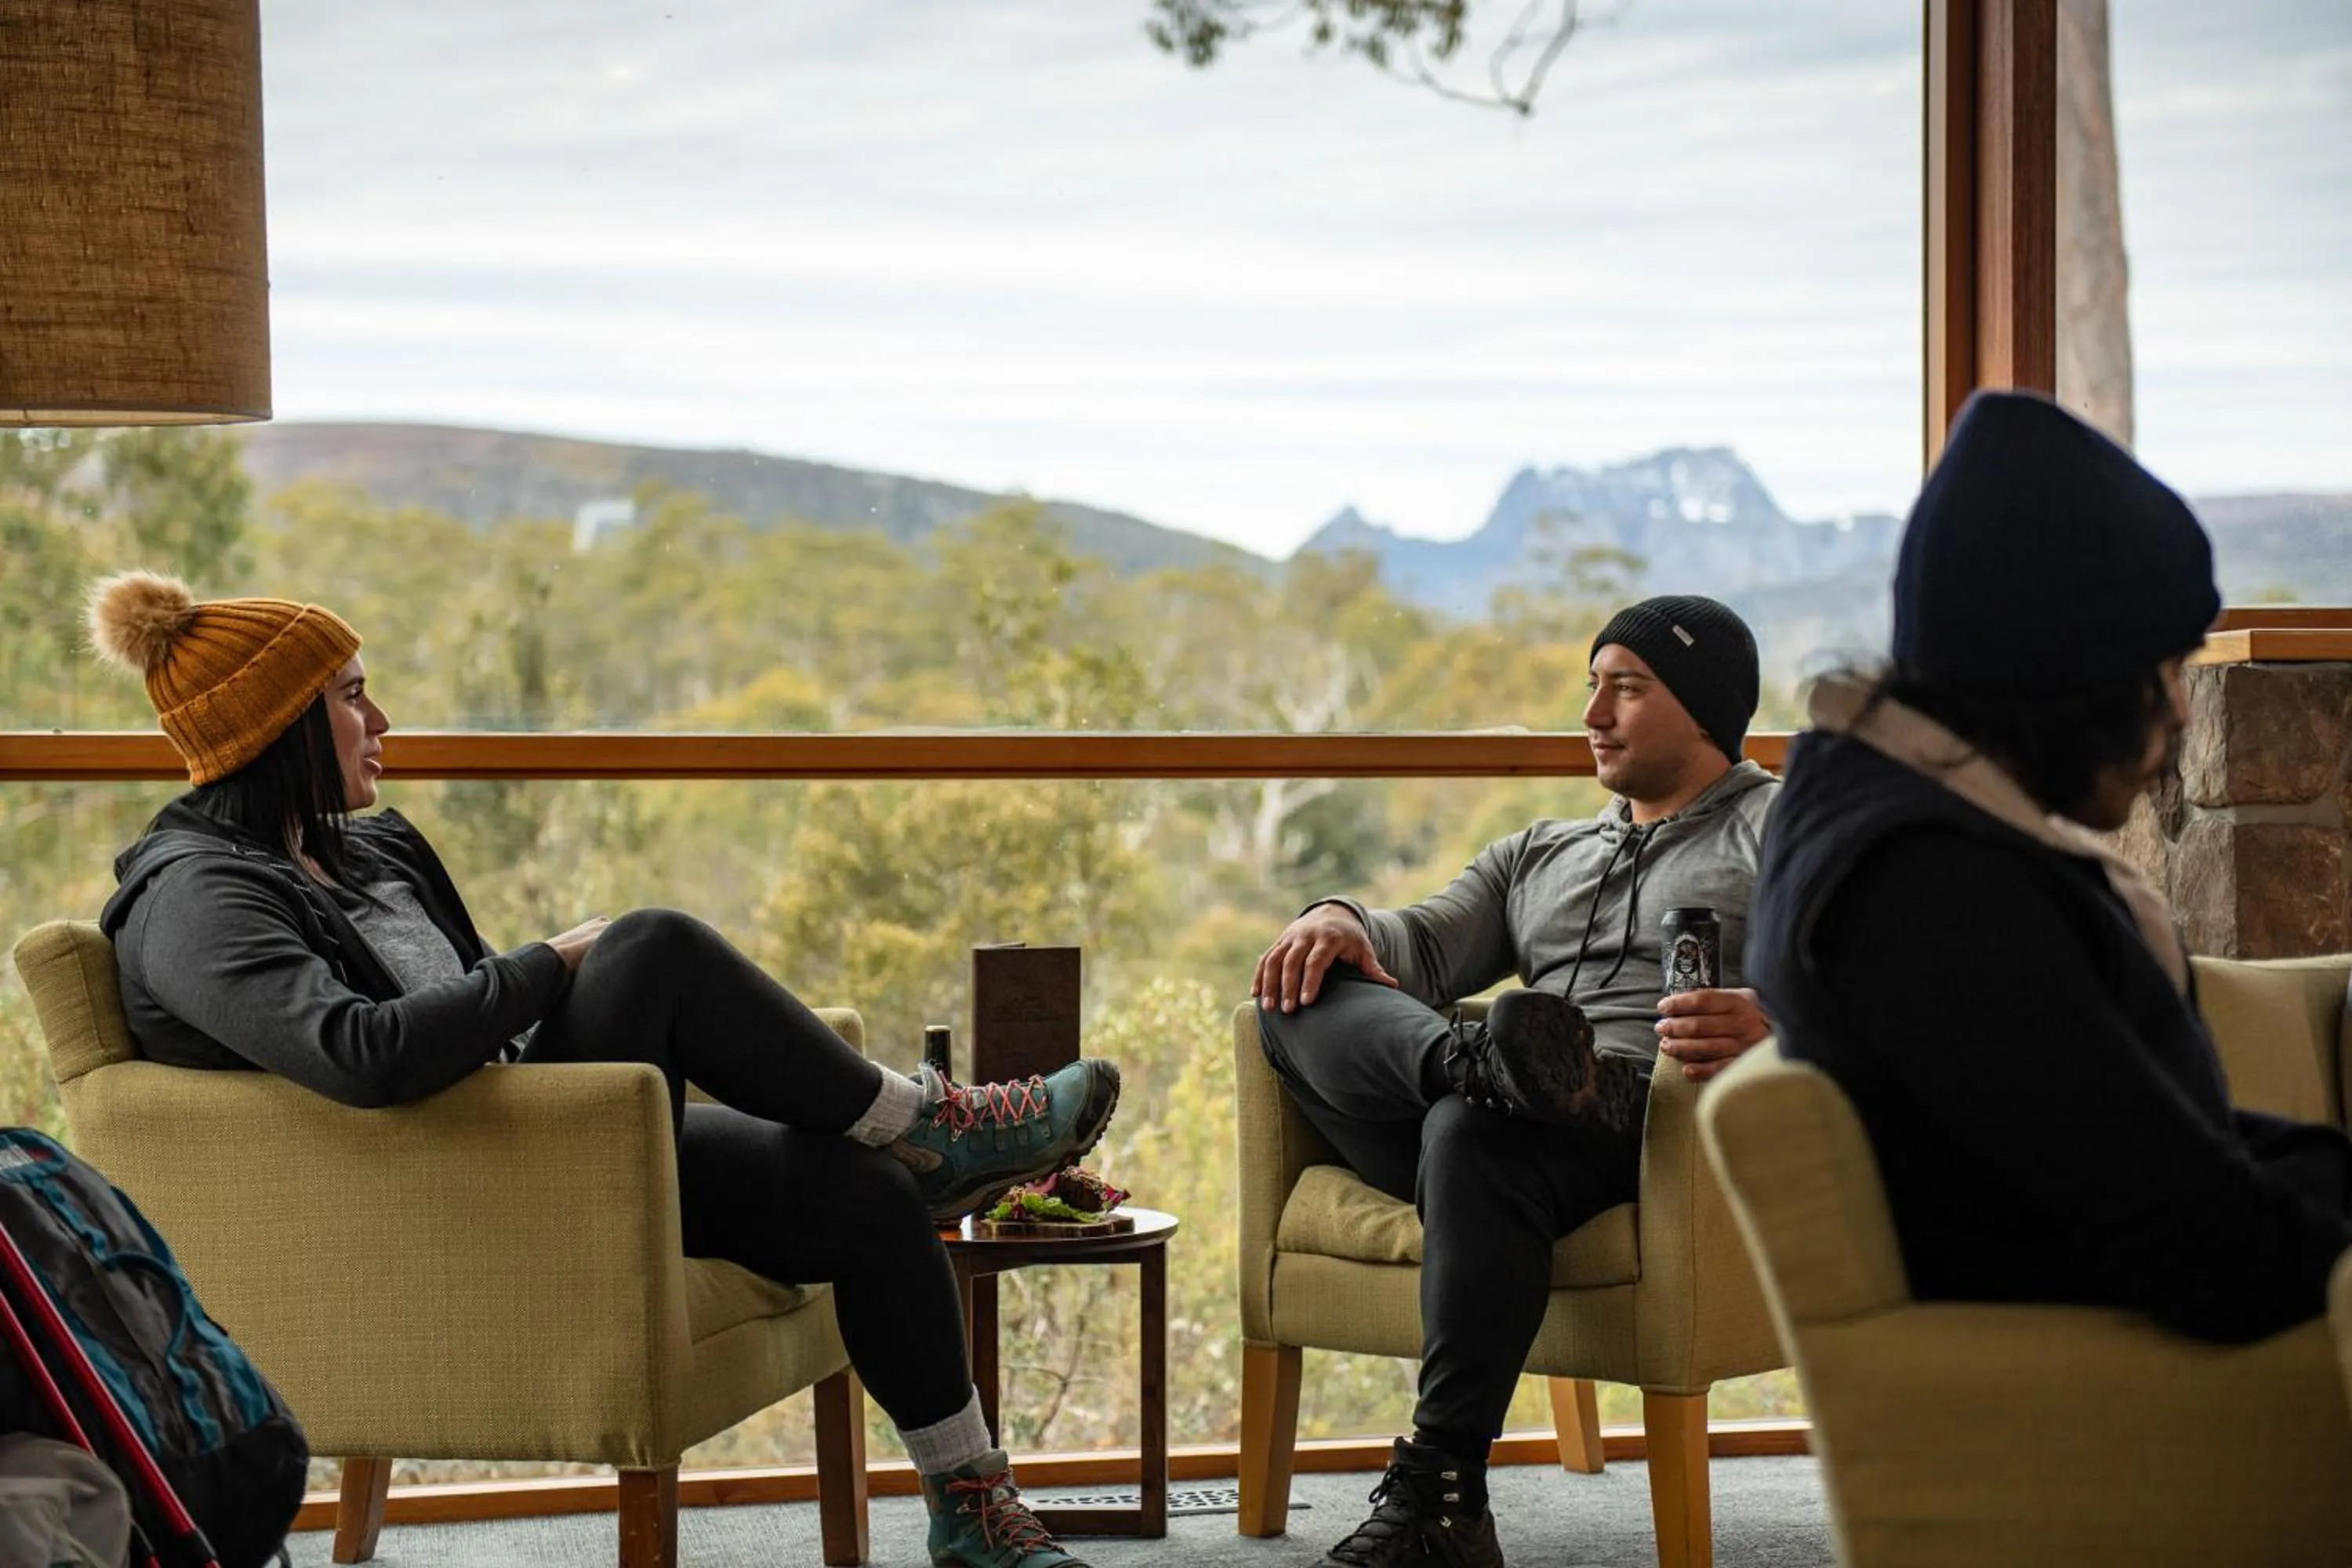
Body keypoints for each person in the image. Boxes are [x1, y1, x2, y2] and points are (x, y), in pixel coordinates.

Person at [85, 569, 1121, 1568]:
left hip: (519, 1135)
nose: (383, 719)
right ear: (274, 725)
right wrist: (551, 965)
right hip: (433, 1199)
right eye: (352, 698)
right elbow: (358, 1055)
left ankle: (970, 1504)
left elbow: (467, 1017)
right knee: (649, 945)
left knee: (868, 1194)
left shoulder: (365, 847)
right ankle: (931, 1123)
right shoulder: (198, 901)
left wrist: (537, 983)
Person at [1748, 390, 2352, 1345]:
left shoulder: (1871, 816)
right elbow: (2196, 1243)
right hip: (2145, 1386)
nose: (2187, 714)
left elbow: (2132, 1138)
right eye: (2166, 670)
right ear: (2068, 673)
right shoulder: (1928, 893)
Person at [1254, 595, 1778, 1568]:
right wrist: (1336, 915)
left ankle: (1442, 1487)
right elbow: (1412, 943)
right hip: (1503, 1116)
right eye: (1593, 686)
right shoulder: (1540, 850)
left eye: (1627, 688)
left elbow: (1902, 989)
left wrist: (1780, 1019)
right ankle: (1479, 1064)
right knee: (1301, 994)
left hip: (1649, 1124)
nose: (1593, 713)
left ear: (1706, 711)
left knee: (1469, 1132)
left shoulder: (1779, 830)